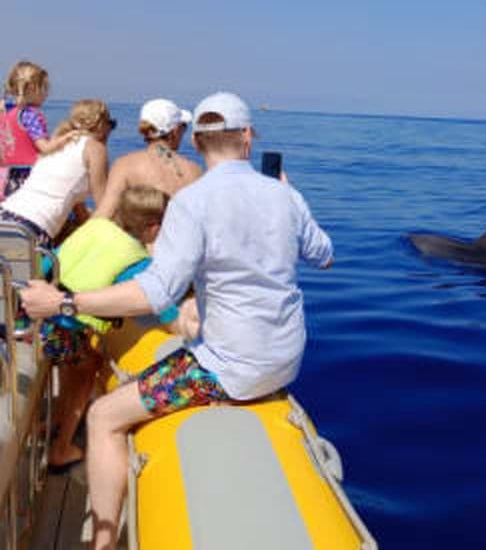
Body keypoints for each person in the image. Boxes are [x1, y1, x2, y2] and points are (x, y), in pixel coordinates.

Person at [20, 91, 334, 549]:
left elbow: (156, 291)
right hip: (286, 361)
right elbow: (324, 255)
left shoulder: (194, 202)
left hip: (230, 370)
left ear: (200, 143)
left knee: (105, 417)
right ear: (247, 137)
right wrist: (288, 194)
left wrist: (64, 303)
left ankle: (102, 545)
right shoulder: (284, 196)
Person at [42, 185, 174, 470]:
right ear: (153, 228)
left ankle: (55, 423)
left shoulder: (97, 226)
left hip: (37, 315)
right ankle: (61, 449)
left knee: (77, 361)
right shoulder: (137, 260)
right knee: (88, 369)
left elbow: (50, 261)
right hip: (64, 324)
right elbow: (161, 306)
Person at [0, 99, 111, 247]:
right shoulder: (95, 149)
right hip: (30, 229)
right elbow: (104, 206)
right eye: (111, 124)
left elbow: (77, 206)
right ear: (102, 125)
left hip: (6, 216)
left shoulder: (58, 143)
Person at [92, 98, 202, 219]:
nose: (183, 132)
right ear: (174, 131)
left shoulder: (125, 165)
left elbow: (103, 217)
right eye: (183, 127)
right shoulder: (195, 170)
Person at [1, 61, 77, 197]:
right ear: (32, 89)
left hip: (9, 177)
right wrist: (67, 137)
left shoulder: (7, 112)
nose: (46, 94)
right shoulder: (31, 115)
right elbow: (45, 148)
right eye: (44, 88)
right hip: (30, 177)